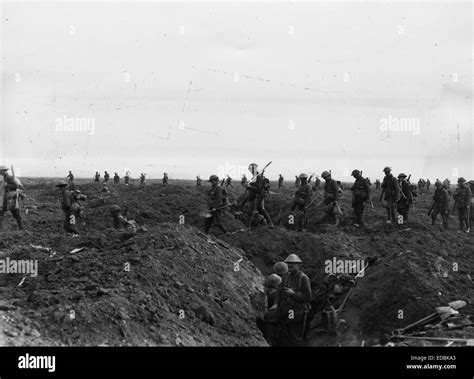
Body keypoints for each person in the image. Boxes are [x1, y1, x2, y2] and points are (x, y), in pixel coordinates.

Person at [270, 254, 312, 346]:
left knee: (295, 336)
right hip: (286, 308)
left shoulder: (303, 278)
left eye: (293, 264)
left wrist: (293, 294)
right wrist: (276, 304)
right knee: (280, 329)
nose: (290, 266)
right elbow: (279, 291)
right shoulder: (287, 276)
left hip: (297, 310)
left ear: (298, 265)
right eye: (288, 264)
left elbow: (308, 297)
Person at [245, 163, 274, 230]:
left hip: (257, 197)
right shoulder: (254, 177)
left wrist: (250, 186)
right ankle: (270, 223)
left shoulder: (259, 177)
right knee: (262, 210)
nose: (251, 171)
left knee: (251, 212)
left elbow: (258, 189)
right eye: (250, 169)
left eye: (252, 169)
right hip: (256, 196)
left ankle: (247, 227)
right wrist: (248, 186)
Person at [0, 165, 24, 231]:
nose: (1, 172)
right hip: (3, 200)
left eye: (2, 171)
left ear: (5, 171)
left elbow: (16, 186)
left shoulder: (10, 178)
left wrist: (6, 185)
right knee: (1, 214)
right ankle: (1, 230)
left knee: (16, 214)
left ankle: (21, 229)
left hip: (11, 199)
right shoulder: (1, 178)